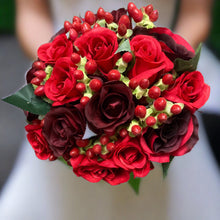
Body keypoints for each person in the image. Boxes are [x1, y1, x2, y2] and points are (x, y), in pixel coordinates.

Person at [0, 0, 219, 219]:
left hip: (159, 86)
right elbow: (31, 15)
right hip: (68, 85)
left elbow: (196, 16)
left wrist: (158, 74)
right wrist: (61, 67)